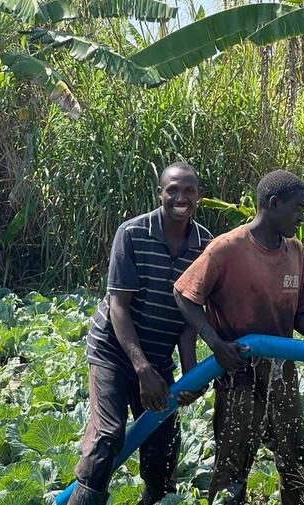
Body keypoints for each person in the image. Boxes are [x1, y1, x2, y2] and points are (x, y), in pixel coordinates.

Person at [173, 169, 304, 505]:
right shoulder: (227, 248)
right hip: (238, 376)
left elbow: (301, 315)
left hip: (281, 377)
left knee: (297, 463)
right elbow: (184, 295)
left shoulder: (295, 251)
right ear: (272, 203)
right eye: (297, 208)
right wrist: (216, 344)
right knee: (232, 470)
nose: (302, 217)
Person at [69, 162, 212, 505]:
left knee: (163, 447)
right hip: (115, 352)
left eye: (188, 190)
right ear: (160, 193)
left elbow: (188, 315)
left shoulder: (204, 244)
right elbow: (118, 307)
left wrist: (190, 369)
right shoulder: (132, 233)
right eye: (173, 190)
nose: (181, 197)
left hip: (158, 355)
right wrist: (141, 368)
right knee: (107, 437)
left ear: (198, 196)